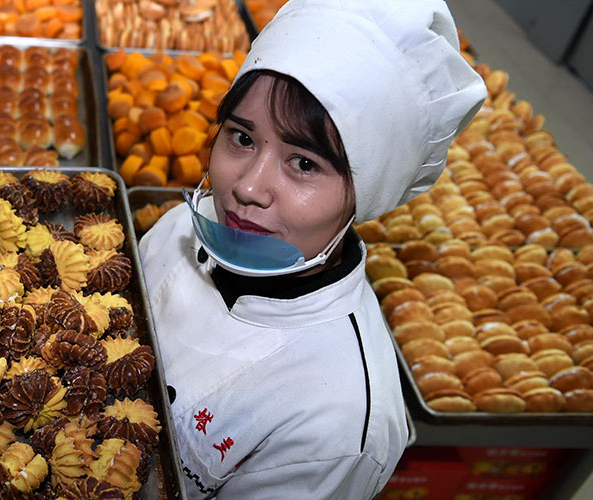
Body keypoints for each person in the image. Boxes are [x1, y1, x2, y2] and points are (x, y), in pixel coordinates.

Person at [137, 0, 487, 498]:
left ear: (367, 193)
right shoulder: (180, 226)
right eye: (241, 136)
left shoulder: (340, 423)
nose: (249, 188)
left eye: (303, 164)